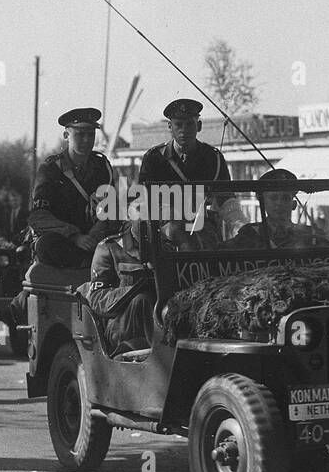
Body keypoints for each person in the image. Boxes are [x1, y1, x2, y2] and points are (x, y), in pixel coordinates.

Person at [136, 98, 244, 242]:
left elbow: (227, 200)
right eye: (178, 124)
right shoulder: (154, 159)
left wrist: (240, 228)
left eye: (189, 124)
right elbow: (144, 202)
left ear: (198, 126)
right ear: (170, 126)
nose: (184, 130)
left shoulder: (213, 158)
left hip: (203, 228)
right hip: (164, 232)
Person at [29, 107, 119, 270]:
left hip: (96, 239)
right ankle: (90, 265)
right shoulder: (51, 169)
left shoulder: (102, 166)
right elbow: (38, 217)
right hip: (66, 240)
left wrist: (94, 235)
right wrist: (75, 236)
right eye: (80, 134)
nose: (86, 140)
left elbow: (110, 210)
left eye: (91, 134)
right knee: (46, 244)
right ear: (66, 136)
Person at [81, 221, 155, 354]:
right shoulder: (110, 248)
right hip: (121, 325)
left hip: (157, 318)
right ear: (129, 216)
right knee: (142, 299)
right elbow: (97, 299)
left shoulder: (167, 247)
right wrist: (135, 290)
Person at [227, 168, 329, 250]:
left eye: (285, 198)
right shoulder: (249, 235)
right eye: (273, 198)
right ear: (263, 202)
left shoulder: (309, 237)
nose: (279, 203)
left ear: (293, 204)